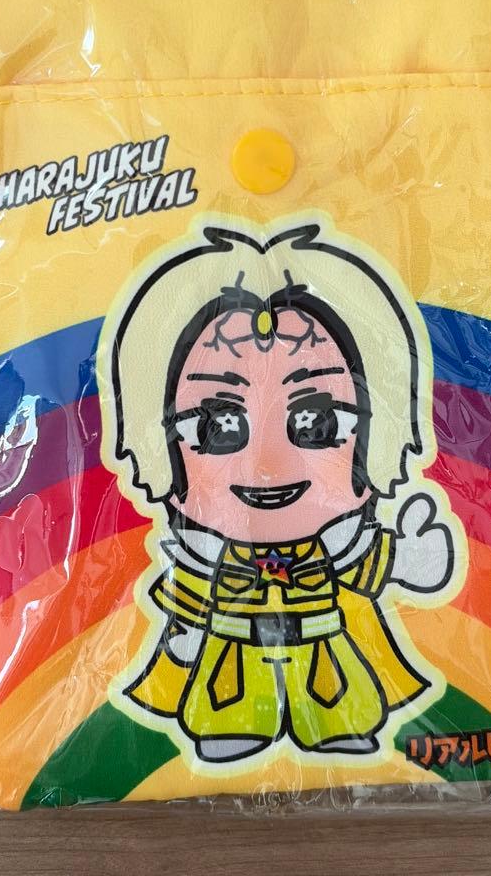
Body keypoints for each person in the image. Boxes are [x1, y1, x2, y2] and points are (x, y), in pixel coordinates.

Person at [99, 219, 464, 763]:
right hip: (230, 649)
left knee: (336, 698)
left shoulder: (337, 545)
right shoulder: (206, 554)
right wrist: (184, 639)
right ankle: (231, 727)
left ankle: (335, 726)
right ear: (159, 443)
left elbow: (366, 565)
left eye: (317, 422)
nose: (267, 465)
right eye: (218, 426)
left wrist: (409, 555)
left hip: (323, 645)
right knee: (230, 702)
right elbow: (190, 595)